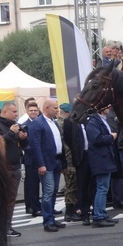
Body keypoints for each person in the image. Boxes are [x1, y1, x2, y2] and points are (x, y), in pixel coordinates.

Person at [28, 99, 67, 232]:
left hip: (56, 161)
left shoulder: (53, 122)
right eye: (55, 108)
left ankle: (52, 218)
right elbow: (35, 146)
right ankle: (47, 221)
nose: (57, 110)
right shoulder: (37, 124)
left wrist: (63, 163)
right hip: (46, 163)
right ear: (46, 108)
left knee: (54, 191)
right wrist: (40, 164)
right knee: (48, 192)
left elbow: (59, 142)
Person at [0, 102, 27, 237]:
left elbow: (20, 145)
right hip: (3, 167)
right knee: (1, 199)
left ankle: (7, 226)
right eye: (13, 112)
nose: (16, 115)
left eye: (16, 112)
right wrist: (11, 133)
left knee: (11, 199)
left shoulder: (14, 125)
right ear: (4, 112)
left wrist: (22, 138)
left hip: (15, 166)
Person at [86, 105, 120, 228]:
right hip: (100, 159)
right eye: (106, 106)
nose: (109, 107)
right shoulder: (93, 121)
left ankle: (102, 214)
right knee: (101, 188)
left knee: (103, 188)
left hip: (105, 158)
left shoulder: (101, 119)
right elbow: (96, 139)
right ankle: (98, 216)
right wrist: (111, 137)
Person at [63, 102, 93, 226]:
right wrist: (76, 152)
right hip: (80, 156)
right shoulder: (70, 121)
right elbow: (68, 139)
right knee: (82, 186)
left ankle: (94, 210)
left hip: (92, 155)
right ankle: (84, 214)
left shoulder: (89, 119)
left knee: (93, 185)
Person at [21, 102, 41, 216]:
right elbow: (23, 144)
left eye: (35, 110)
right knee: (32, 184)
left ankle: (38, 205)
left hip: (41, 157)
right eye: (31, 111)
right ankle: (33, 207)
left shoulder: (41, 123)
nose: (33, 112)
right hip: (30, 158)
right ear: (27, 112)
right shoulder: (24, 125)